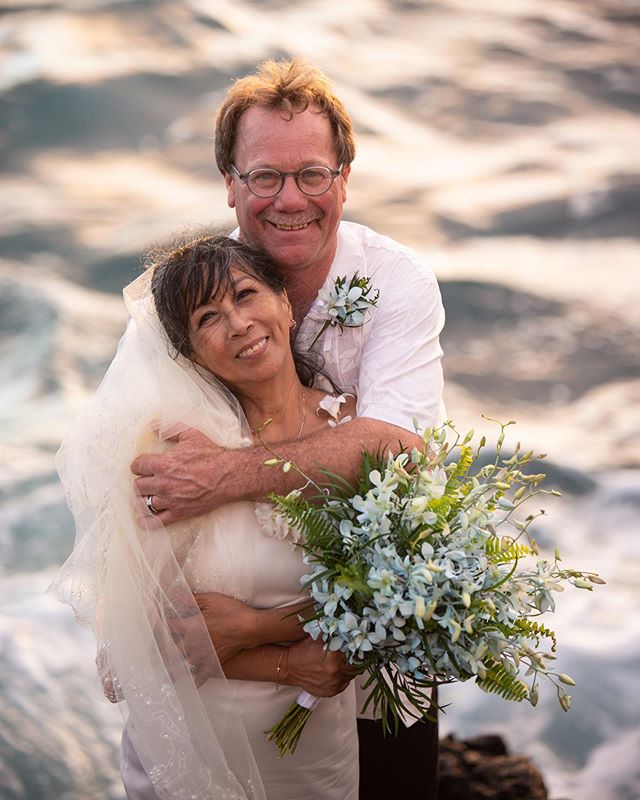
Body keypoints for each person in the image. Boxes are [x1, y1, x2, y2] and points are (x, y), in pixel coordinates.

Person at [132, 58, 446, 799]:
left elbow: (396, 449)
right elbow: (140, 521)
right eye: (265, 177)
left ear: (344, 178)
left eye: (312, 174)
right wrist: (266, 649)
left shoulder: (397, 281)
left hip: (379, 618)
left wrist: (222, 477)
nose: (290, 200)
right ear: (231, 184)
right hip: (221, 680)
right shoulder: (182, 300)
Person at [54, 233, 362, 800]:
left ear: (285, 304)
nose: (239, 323)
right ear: (191, 354)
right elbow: (120, 666)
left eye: (246, 295)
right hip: (193, 758)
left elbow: (405, 603)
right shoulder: (176, 457)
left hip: (317, 760)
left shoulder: (354, 436)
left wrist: (259, 628)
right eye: (208, 318)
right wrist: (284, 664)